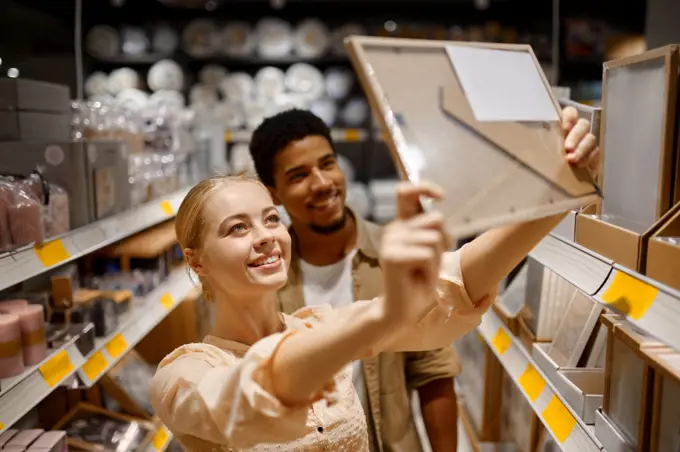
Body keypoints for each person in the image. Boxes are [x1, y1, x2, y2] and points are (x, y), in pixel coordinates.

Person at [246, 107, 600, 451]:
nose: (322, 183)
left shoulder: (399, 255)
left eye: (328, 164)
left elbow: (433, 373)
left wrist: (565, 181)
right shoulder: (262, 283)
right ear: (272, 192)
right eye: (298, 175)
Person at [150, 175, 494, 451]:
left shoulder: (320, 325)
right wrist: (388, 312)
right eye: (237, 227)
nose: (265, 237)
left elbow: (457, 282)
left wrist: (544, 202)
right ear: (196, 261)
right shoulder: (183, 375)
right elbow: (249, 398)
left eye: (271, 219)